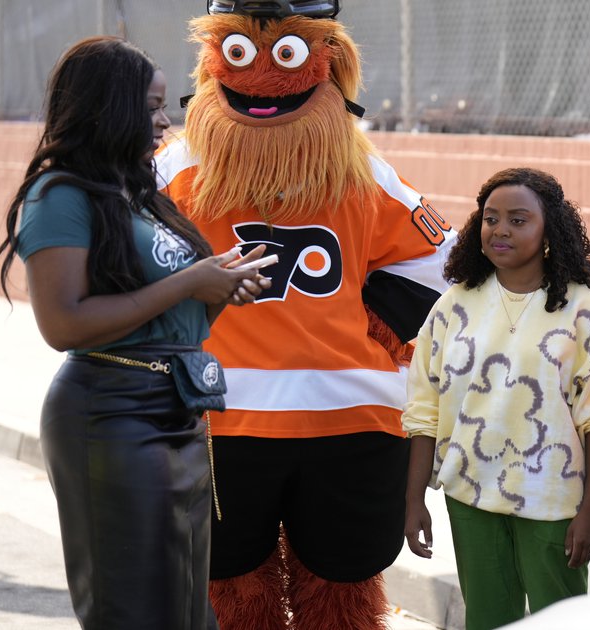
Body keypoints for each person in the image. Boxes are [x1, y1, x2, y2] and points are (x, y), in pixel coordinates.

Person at [155, 3, 455, 627]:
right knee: (285, 586)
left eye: (284, 53)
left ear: (325, 61)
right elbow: (438, 267)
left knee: (248, 586)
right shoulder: (362, 168)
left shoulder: (177, 166)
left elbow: (125, 269)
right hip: (326, 412)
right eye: (241, 53)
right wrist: (381, 334)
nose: (262, 75)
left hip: (232, 415)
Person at [0, 36, 270, 629]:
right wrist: (189, 282)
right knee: (139, 610)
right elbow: (64, 323)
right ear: (107, 108)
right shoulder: (60, 194)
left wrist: (219, 289)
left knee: (190, 608)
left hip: (179, 408)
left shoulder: (141, 195)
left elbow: (173, 320)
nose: (163, 122)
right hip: (111, 415)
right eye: (150, 107)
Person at [402, 168, 590, 629]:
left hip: (553, 499)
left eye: (518, 220)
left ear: (549, 229)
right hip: (469, 496)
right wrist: (413, 502)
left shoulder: (583, 306)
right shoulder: (454, 305)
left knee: (560, 621)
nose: (501, 230)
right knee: (487, 620)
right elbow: (424, 410)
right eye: (491, 218)